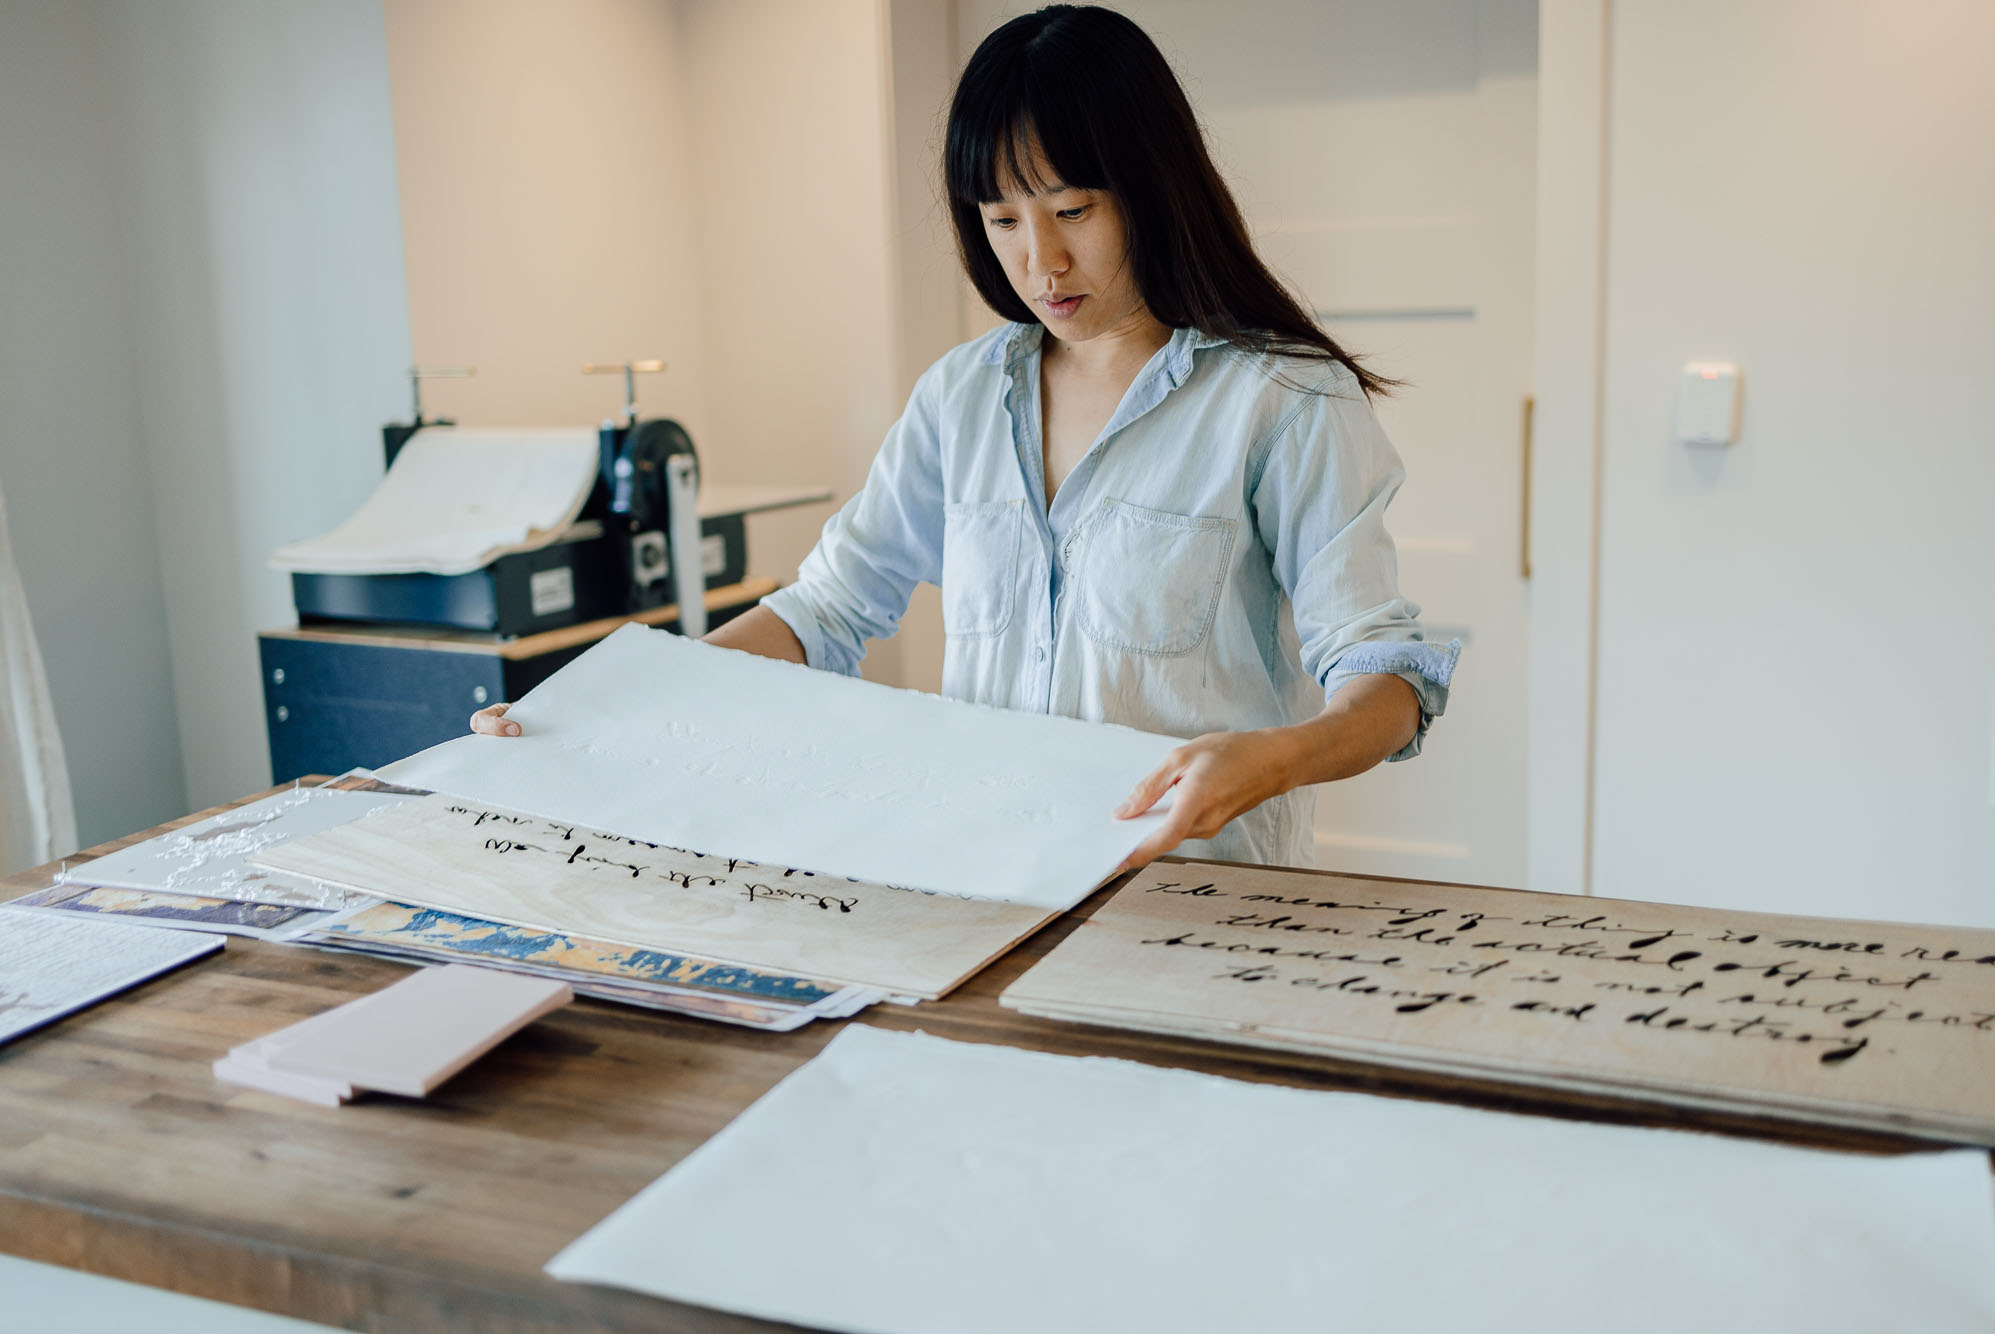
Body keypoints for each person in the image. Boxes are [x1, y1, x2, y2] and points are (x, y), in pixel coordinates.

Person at [474, 4, 1457, 873]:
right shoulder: (959, 397)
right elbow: (826, 610)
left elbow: (1387, 679)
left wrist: (1272, 756)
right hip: (986, 880)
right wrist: (614, 705)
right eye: (1001, 220)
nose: (1041, 260)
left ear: (1153, 189)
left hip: (1193, 896)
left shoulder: (1280, 398)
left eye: (1072, 209)